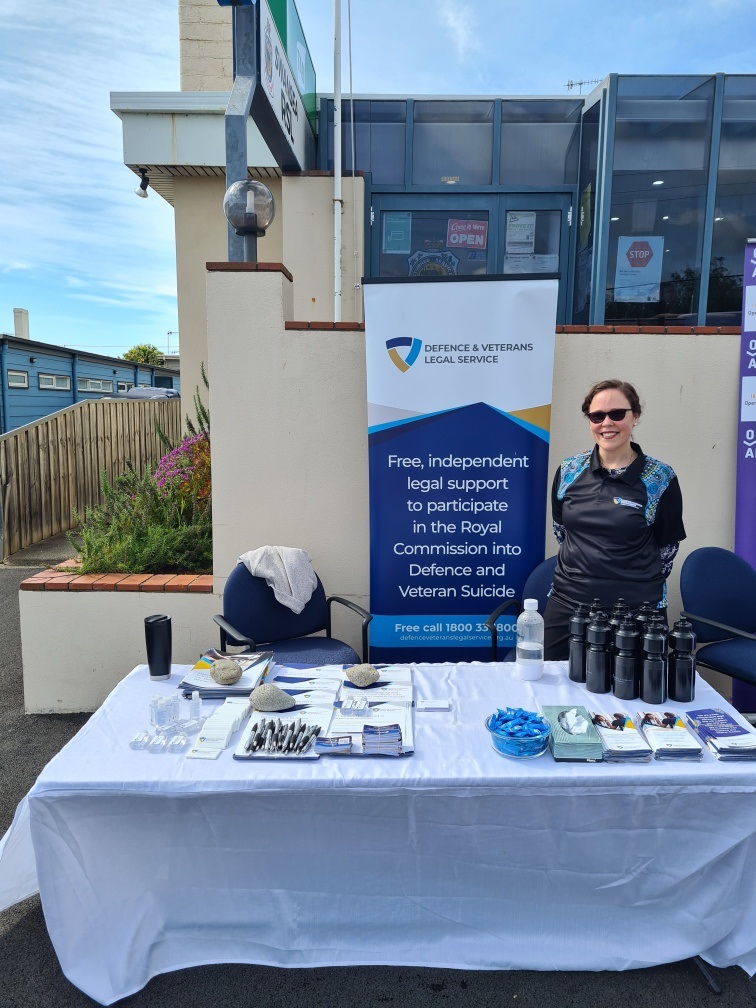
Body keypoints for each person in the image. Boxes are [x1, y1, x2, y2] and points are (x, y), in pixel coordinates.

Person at [543, 379, 686, 660]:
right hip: (568, 604)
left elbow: (666, 549)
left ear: (635, 417)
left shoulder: (660, 478)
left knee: (630, 695)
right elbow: (563, 531)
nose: (607, 423)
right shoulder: (569, 470)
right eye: (597, 416)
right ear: (589, 421)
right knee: (550, 686)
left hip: (637, 611)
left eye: (617, 414)